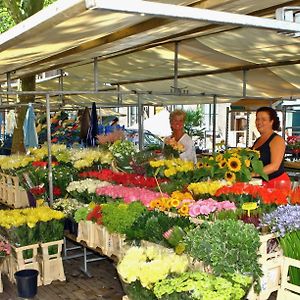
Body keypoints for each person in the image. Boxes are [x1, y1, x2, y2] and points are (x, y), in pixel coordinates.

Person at [252, 106, 291, 189]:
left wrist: (252, 174)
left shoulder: (277, 140)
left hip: (276, 184)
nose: (259, 122)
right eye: (257, 119)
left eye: (263, 119)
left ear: (271, 122)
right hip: (260, 184)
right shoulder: (258, 140)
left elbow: (274, 166)